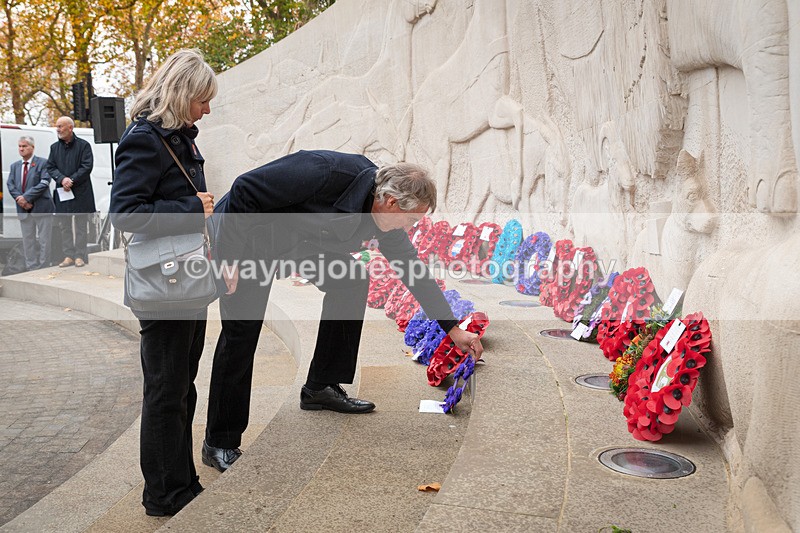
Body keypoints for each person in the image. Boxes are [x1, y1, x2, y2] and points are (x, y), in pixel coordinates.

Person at [202, 150, 484, 472]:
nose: (410, 227)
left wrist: (452, 329)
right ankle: (219, 441)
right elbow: (245, 188)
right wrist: (229, 257)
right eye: (411, 219)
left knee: (350, 280)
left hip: (301, 241)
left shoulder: (385, 219)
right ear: (391, 202)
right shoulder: (325, 172)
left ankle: (321, 387)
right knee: (242, 331)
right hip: (247, 238)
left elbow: (413, 271)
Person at [109, 49, 217, 517]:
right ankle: (163, 494)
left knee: (180, 387)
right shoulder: (144, 139)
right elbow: (125, 213)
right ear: (181, 93)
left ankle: (182, 480)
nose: (206, 110)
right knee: (165, 391)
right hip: (164, 287)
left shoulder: (176, 136)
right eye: (202, 100)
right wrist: (193, 207)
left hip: (184, 281)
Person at [47, 116, 94, 268]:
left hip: (80, 190)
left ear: (70, 128)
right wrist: (62, 179)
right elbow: (50, 167)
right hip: (63, 191)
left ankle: (80, 255)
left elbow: (87, 166)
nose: (58, 129)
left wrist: (71, 180)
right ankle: (68, 255)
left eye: (60, 126)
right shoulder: (54, 148)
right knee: (64, 225)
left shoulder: (84, 145)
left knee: (81, 226)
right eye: (57, 126)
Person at [6, 136, 53, 270]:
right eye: (20, 146)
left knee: (44, 240)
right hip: (23, 209)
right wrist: (20, 200)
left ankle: (44, 267)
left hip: (42, 208)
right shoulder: (14, 166)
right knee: (28, 241)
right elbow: (10, 185)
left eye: (24, 146)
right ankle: (31, 267)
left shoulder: (43, 163)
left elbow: (44, 183)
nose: (21, 149)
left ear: (32, 147)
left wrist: (26, 197)